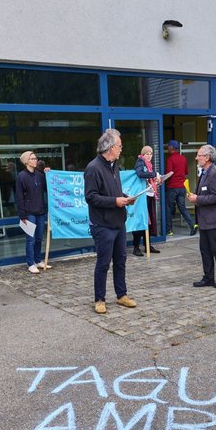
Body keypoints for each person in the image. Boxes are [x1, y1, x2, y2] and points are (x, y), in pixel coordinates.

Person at [84, 129, 138, 314]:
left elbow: (113, 191)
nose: (121, 149)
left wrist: (125, 198)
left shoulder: (114, 165)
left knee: (121, 260)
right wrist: (115, 201)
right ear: (110, 147)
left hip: (118, 222)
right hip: (102, 225)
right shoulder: (93, 168)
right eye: (119, 146)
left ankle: (121, 295)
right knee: (103, 263)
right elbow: (91, 197)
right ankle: (99, 299)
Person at [187, 144, 216, 288]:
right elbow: (204, 193)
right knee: (205, 250)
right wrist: (195, 196)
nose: (197, 158)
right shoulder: (203, 172)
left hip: (214, 220)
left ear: (207, 157)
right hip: (204, 220)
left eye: (199, 155)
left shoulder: (215, 173)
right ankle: (208, 277)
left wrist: (197, 199)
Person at [15, 150, 51, 273]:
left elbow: (48, 189)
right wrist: (22, 215)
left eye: (35, 158)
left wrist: (48, 175)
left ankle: (38, 260)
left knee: (39, 238)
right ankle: (30, 263)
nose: (35, 160)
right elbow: (19, 197)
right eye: (32, 159)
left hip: (40, 211)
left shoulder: (40, 175)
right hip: (29, 213)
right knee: (31, 239)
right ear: (26, 161)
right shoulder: (21, 176)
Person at [132, 145, 162, 256]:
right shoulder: (140, 162)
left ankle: (147, 245)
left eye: (151, 154)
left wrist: (156, 179)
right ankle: (136, 247)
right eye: (147, 154)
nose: (149, 156)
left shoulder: (149, 164)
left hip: (149, 195)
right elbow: (140, 174)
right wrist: (154, 174)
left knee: (149, 222)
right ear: (143, 154)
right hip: (142, 196)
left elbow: (148, 178)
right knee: (141, 220)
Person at [164, 140, 196, 236]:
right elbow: (186, 171)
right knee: (182, 208)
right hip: (182, 187)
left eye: (168, 146)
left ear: (171, 148)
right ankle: (192, 225)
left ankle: (169, 230)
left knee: (168, 208)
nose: (167, 148)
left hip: (172, 187)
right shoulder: (183, 158)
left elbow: (169, 173)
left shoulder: (170, 159)